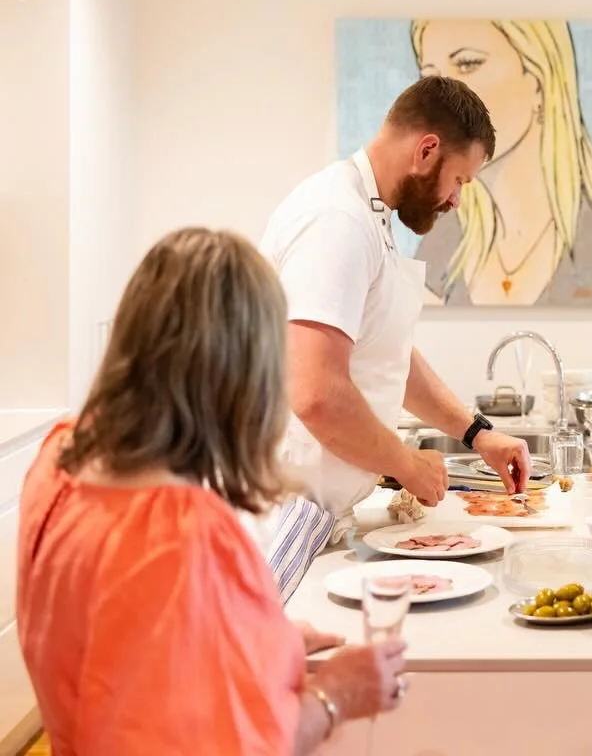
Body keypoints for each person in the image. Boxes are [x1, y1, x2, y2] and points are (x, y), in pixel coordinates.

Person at [18, 228, 408, 753]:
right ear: (245, 375)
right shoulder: (191, 537)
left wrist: (266, 644)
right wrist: (337, 693)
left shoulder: (59, 461)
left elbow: (138, 653)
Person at [259, 75, 531, 594]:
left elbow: (388, 356)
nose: (454, 200)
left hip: (316, 516)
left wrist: (477, 433)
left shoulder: (369, 216)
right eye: (459, 181)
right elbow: (315, 393)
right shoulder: (336, 220)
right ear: (427, 149)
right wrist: (407, 464)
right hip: (285, 517)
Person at [411, 18, 592, 306]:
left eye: (467, 64)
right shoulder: (442, 245)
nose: (442, 101)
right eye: (431, 79)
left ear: (539, 81)